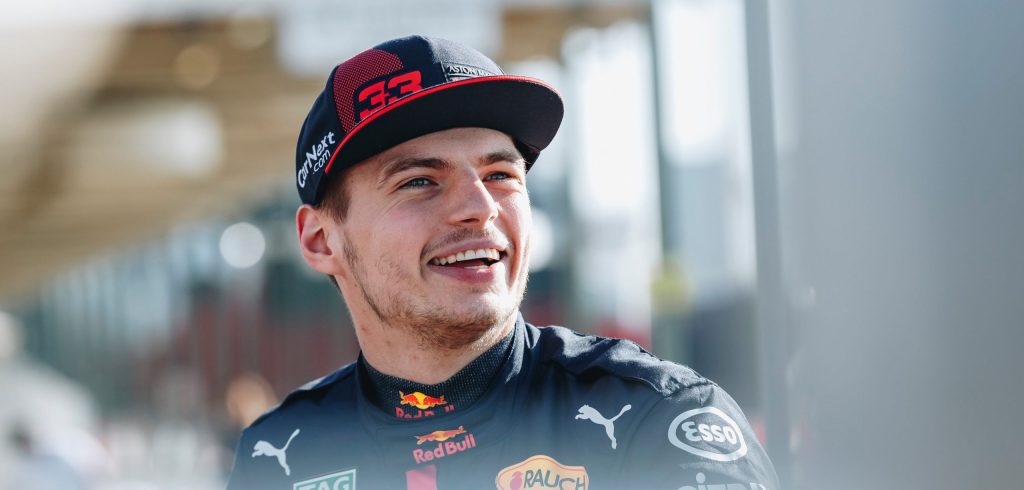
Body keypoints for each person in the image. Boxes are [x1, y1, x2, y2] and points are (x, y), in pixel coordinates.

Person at [226, 35, 778, 490]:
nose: (481, 206)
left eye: (500, 175)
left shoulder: (657, 422)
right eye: (419, 181)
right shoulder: (281, 454)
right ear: (321, 241)